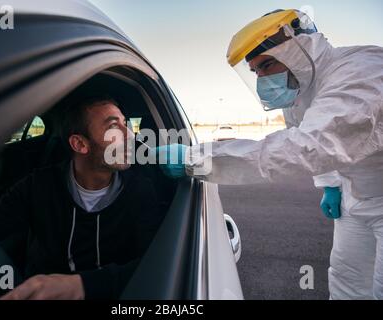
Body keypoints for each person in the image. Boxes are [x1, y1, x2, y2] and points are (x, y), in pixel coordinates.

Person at [155, 9, 383, 299]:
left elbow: (307, 146)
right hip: (356, 197)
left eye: (267, 64)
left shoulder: (360, 72)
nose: (262, 77)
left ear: (298, 50)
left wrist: (193, 159)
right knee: (346, 280)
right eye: (255, 71)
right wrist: (330, 184)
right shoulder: (298, 93)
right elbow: (309, 140)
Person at [0, 95, 163, 300]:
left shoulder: (140, 191)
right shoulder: (38, 185)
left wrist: (82, 285)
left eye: (126, 124)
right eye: (114, 127)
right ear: (80, 144)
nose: (130, 136)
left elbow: (155, 266)